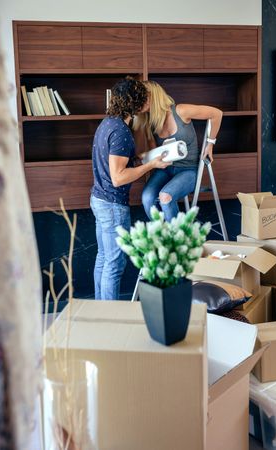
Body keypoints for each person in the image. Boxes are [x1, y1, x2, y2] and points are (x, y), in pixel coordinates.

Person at [90, 77, 171, 300]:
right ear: (134, 102)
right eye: (144, 97)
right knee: (114, 265)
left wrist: (139, 158)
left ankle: (99, 310)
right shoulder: (121, 132)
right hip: (113, 205)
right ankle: (110, 317)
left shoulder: (107, 124)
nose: (148, 101)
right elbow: (118, 177)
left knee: (104, 258)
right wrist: (151, 165)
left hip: (99, 199)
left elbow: (115, 163)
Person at [134, 80, 223, 222]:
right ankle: (163, 237)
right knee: (147, 198)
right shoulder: (150, 122)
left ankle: (177, 241)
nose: (137, 102)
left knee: (165, 196)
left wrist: (210, 144)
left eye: (141, 98)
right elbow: (155, 153)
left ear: (152, 97)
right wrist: (146, 158)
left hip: (188, 170)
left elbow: (217, 114)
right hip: (164, 170)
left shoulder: (181, 110)